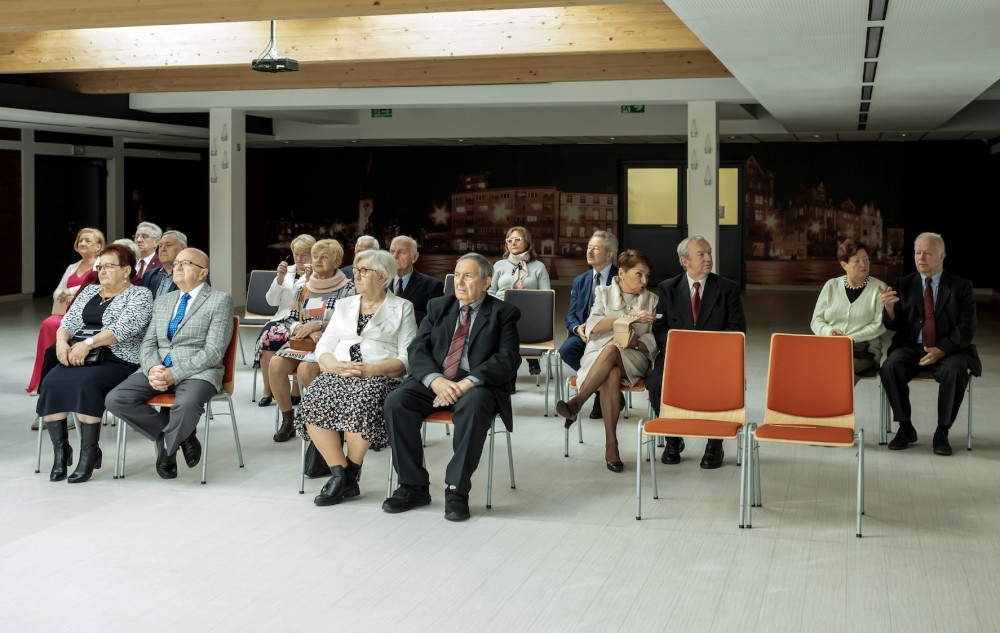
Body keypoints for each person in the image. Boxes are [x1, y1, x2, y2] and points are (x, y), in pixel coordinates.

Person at [382, 253, 520, 522]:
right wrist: (435, 380)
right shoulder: (438, 306)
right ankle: (413, 486)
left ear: (486, 282)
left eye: (468, 276)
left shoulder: (503, 313)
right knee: (396, 402)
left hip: (477, 384)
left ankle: (457, 489)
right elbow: (417, 348)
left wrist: (467, 383)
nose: (459, 282)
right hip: (438, 378)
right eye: (457, 275)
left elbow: (508, 358)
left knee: (474, 406)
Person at [294, 249, 417, 505]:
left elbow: (408, 358)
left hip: (379, 375)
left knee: (361, 400)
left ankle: (351, 469)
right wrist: (333, 366)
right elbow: (324, 345)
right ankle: (341, 475)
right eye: (356, 271)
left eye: (363, 271)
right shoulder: (344, 305)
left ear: (382, 277)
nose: (356, 276)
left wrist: (372, 369)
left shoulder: (402, 308)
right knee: (314, 397)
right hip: (339, 371)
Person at [105, 248, 234, 479]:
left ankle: (166, 449)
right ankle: (176, 435)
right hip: (159, 367)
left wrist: (175, 373)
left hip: (198, 371)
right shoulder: (163, 301)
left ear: (203, 273)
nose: (178, 267)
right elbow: (148, 343)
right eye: (176, 263)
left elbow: (214, 351)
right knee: (116, 399)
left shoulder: (219, 300)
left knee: (186, 404)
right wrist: (153, 368)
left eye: (186, 263)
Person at [38, 244, 153, 483]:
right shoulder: (90, 291)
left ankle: (89, 454)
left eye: (109, 266)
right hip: (80, 355)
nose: (102, 271)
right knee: (50, 383)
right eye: (100, 267)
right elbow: (68, 321)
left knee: (86, 385)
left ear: (126, 270)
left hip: (118, 358)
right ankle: (61, 452)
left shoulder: (140, 295)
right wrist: (62, 342)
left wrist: (88, 343)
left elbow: (122, 329)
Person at [555, 249, 658, 473]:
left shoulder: (651, 300)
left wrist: (635, 343)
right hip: (597, 356)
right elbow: (593, 327)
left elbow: (652, 339)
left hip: (633, 356)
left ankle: (577, 402)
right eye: (639, 274)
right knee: (611, 372)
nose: (644, 281)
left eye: (647, 276)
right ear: (621, 273)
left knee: (612, 350)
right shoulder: (602, 292)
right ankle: (611, 444)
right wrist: (631, 318)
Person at [648, 236, 746, 468]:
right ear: (685, 261)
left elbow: (737, 329)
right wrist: (677, 351)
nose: (709, 258)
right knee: (656, 383)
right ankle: (673, 440)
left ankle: (715, 445)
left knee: (720, 384)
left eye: (709, 252)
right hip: (677, 357)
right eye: (701, 254)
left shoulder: (727, 288)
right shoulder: (668, 287)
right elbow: (660, 327)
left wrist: (708, 353)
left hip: (715, 359)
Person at [879, 232, 980, 456]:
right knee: (890, 367)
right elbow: (894, 325)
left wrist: (941, 349)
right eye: (917, 253)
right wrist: (889, 310)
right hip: (911, 346)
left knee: (955, 370)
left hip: (949, 348)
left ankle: (942, 431)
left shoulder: (961, 286)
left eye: (927, 253)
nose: (920, 257)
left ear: (942, 256)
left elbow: (967, 328)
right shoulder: (904, 284)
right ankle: (905, 427)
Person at [270, 239, 355, 442]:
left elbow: (349, 320)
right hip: (303, 341)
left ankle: (324, 419)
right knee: (275, 364)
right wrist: (301, 329)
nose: (317, 260)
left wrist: (320, 326)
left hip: (331, 344)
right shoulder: (303, 288)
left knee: (306, 370)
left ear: (337, 262)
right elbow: (290, 318)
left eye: (324, 257)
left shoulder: (348, 289)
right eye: (315, 256)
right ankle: (288, 420)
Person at [26, 227, 106, 397]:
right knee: (48, 323)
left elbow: (97, 287)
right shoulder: (72, 267)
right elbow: (58, 291)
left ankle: (60, 377)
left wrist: (72, 293)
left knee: (58, 324)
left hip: (86, 313)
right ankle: (41, 378)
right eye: (80, 240)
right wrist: (64, 296)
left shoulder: (102, 265)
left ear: (99, 246)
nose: (82, 243)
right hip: (66, 310)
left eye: (87, 241)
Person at [557, 230, 618, 419]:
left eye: (596, 248)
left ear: (609, 254)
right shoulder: (580, 280)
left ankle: (598, 395)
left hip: (610, 336)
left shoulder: (620, 278)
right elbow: (571, 316)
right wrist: (578, 328)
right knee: (566, 350)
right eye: (589, 247)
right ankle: (602, 389)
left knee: (606, 354)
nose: (589, 251)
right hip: (585, 335)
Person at [810, 239, 886, 384]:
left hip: (863, 353)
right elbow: (816, 320)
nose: (863, 264)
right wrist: (829, 332)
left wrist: (849, 338)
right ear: (844, 265)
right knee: (808, 367)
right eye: (857, 261)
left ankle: (829, 399)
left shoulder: (879, 288)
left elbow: (878, 325)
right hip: (830, 349)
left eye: (866, 259)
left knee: (838, 369)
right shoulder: (831, 285)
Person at [253, 234, 315, 407]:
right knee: (268, 335)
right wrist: (279, 279)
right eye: (296, 254)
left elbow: (314, 301)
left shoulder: (317, 273)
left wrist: (310, 280)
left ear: (312, 255)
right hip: (282, 317)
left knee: (294, 338)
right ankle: (268, 390)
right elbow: (271, 301)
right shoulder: (287, 271)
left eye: (304, 255)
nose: (300, 259)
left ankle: (295, 390)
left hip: (303, 319)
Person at [488, 225, 550, 375]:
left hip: (528, 314)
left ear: (527, 242)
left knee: (515, 322)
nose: (513, 243)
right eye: (509, 240)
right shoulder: (499, 265)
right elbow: (490, 291)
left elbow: (546, 296)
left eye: (517, 239)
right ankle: (522, 363)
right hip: (502, 312)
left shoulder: (538, 267)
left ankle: (515, 367)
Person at [388, 235, 443, 325]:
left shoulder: (432, 285)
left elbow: (433, 321)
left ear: (414, 257)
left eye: (401, 252)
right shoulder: (380, 282)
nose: (395, 256)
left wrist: (399, 310)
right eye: (392, 251)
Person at [142, 230, 188, 298]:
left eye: (168, 245)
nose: (162, 249)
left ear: (183, 249)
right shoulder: (149, 276)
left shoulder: (192, 275)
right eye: (160, 246)